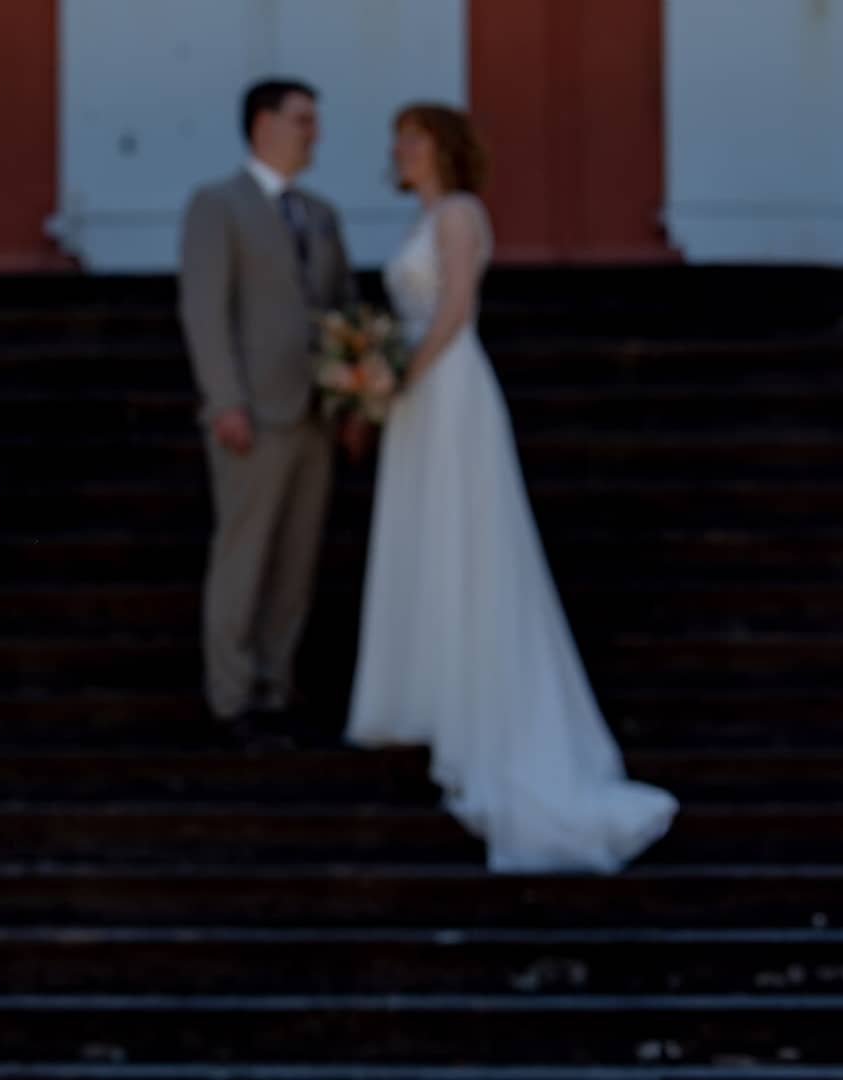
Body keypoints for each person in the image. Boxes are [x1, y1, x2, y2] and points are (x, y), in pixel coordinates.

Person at [342, 104, 676, 873]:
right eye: (398, 138)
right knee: (425, 540)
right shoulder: (428, 218)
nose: (398, 150)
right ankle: (417, 691)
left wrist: (396, 377)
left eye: (412, 139)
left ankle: (471, 706)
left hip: (448, 386)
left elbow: (455, 308)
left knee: (465, 539)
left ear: (443, 150)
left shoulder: (460, 213)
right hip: (423, 390)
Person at [179, 78, 358, 740]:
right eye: (302, 120)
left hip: (316, 412)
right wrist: (225, 400)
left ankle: (276, 685)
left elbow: (344, 309)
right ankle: (232, 696)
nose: (314, 132)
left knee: (296, 562)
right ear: (263, 125)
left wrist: (353, 395)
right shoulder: (216, 205)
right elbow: (205, 309)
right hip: (251, 413)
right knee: (245, 555)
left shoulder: (322, 213)